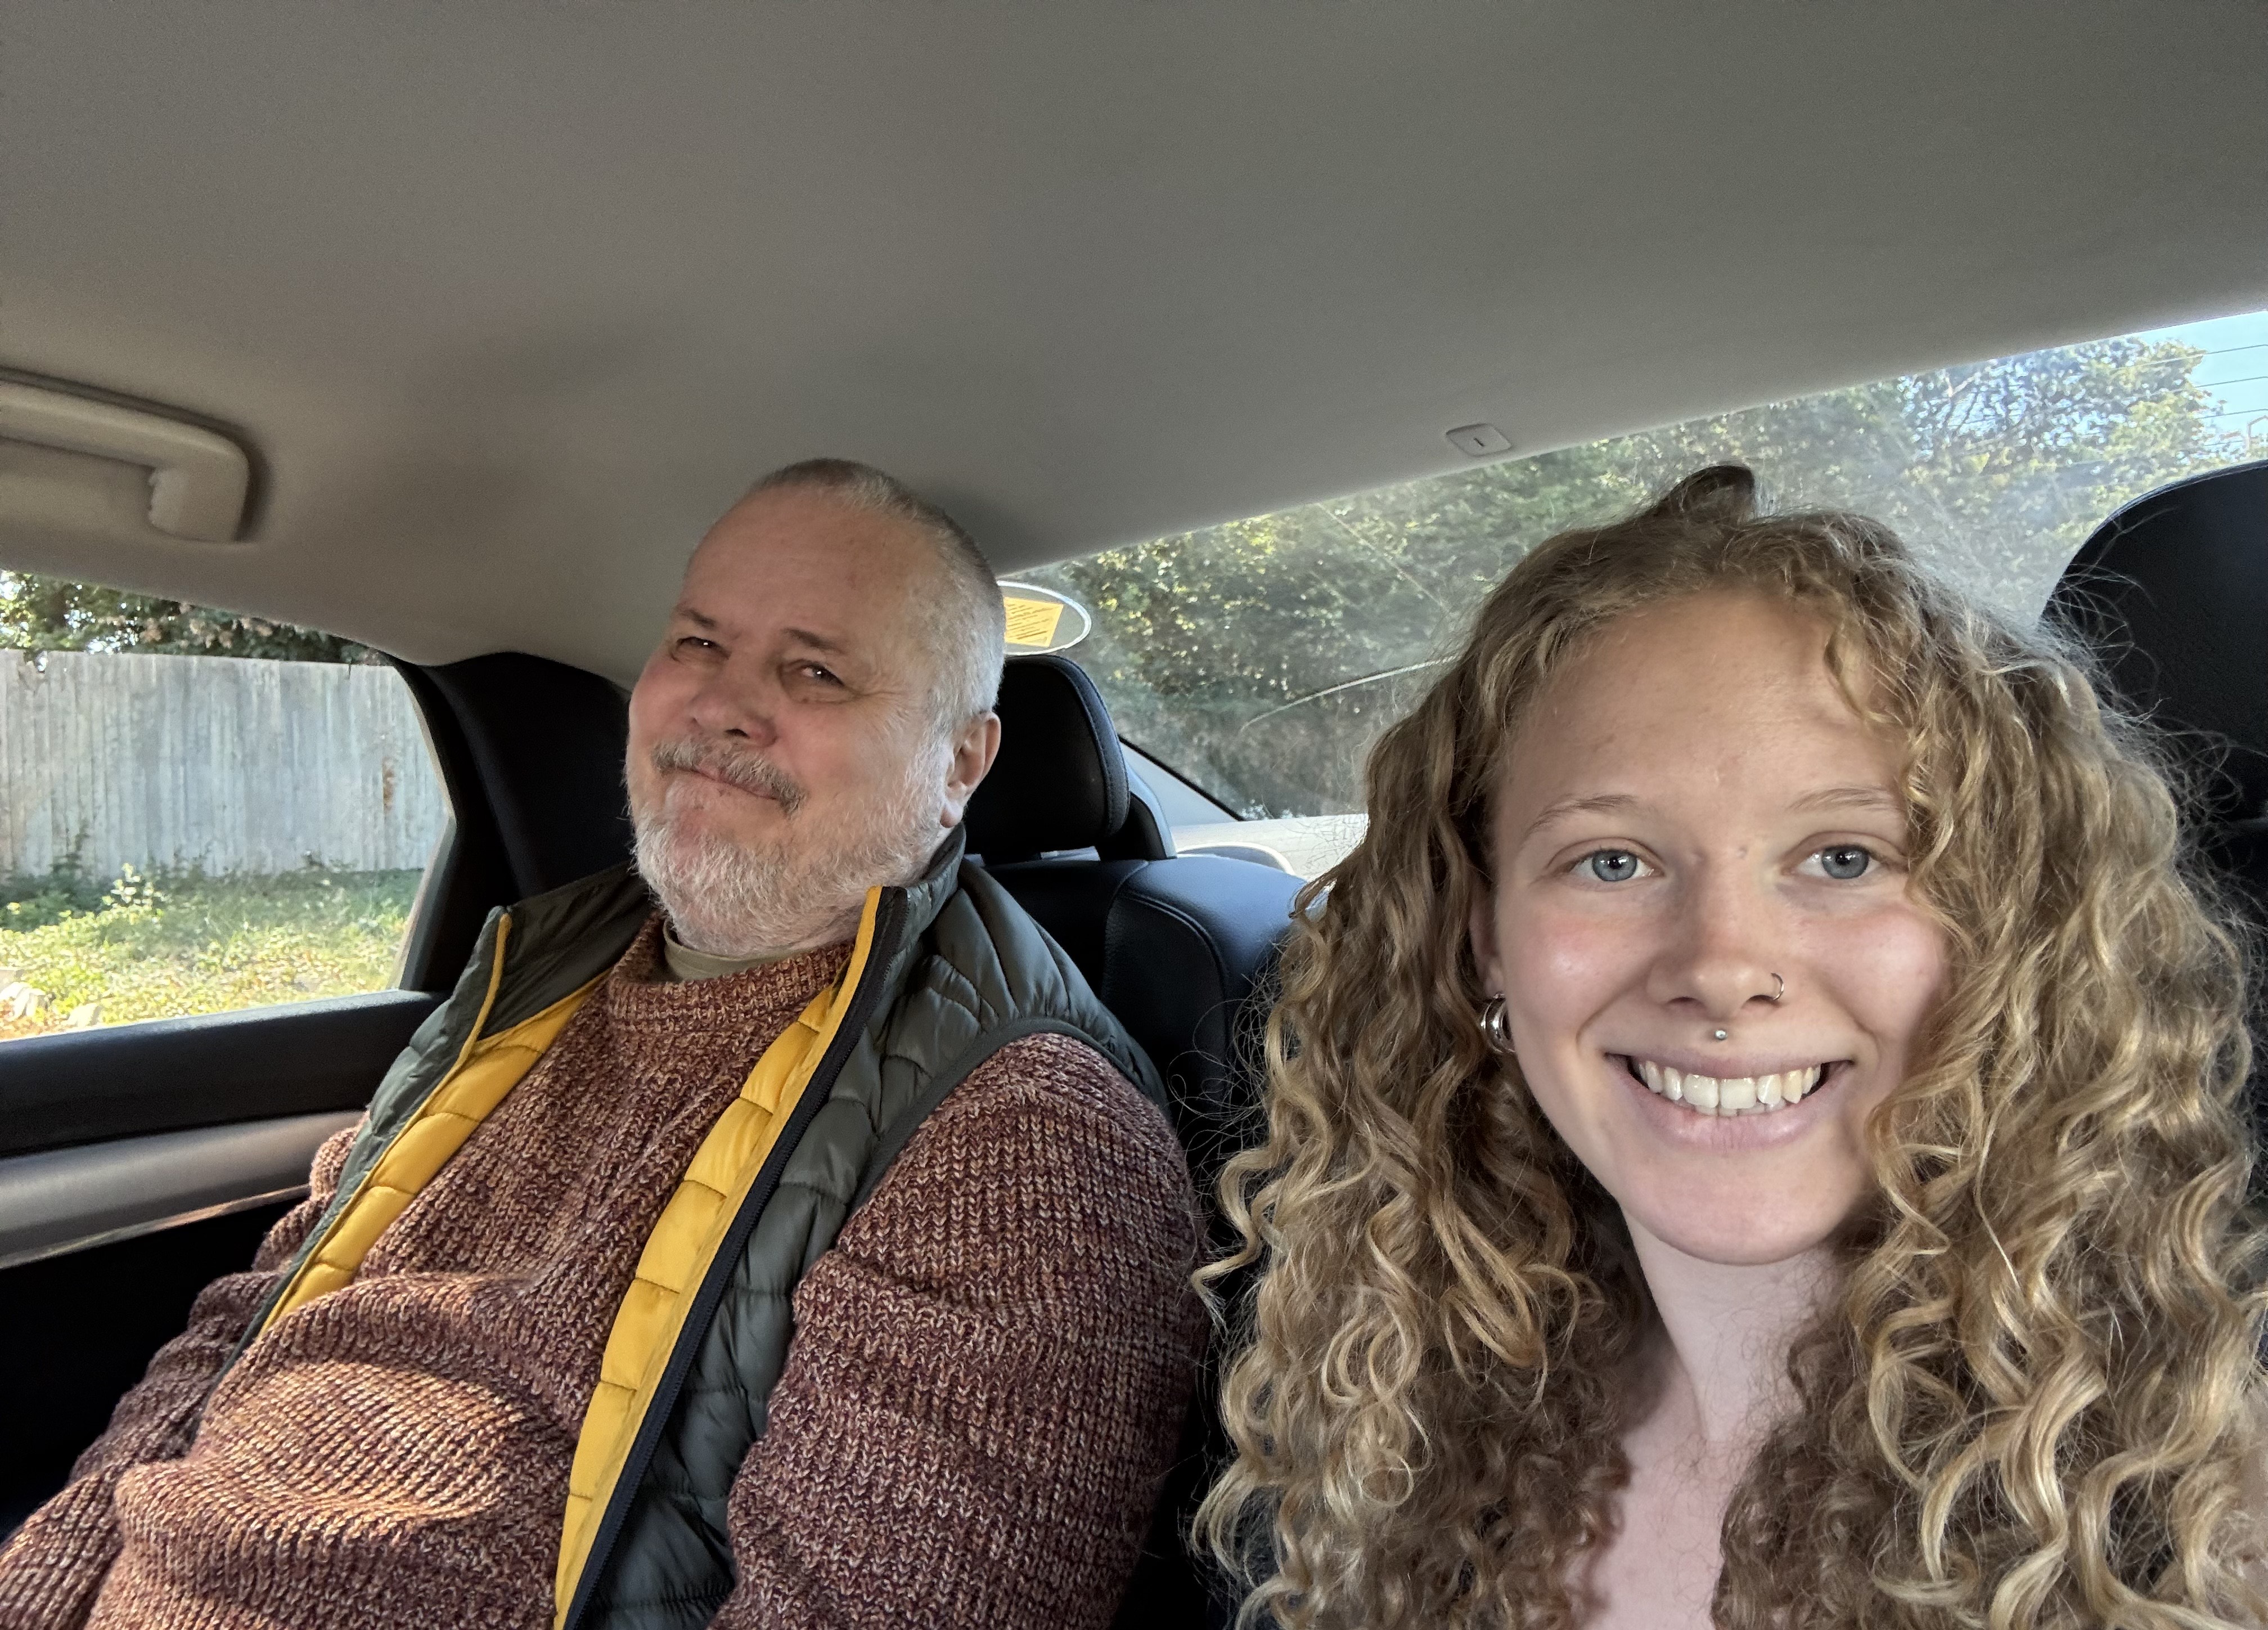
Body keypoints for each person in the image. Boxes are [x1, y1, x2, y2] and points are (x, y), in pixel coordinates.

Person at [0, 458, 1205, 1630]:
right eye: (698, 641)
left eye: (817, 671)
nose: (722, 702)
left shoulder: (1025, 1135)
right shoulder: (528, 984)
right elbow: (248, 1327)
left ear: (960, 764)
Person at [1196, 465, 2267, 1628]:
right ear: (1483, 944)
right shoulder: (1420, 1441)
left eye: (1845, 857)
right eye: (1611, 861)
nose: (1719, 962)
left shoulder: (2204, 1518)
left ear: (2007, 933)